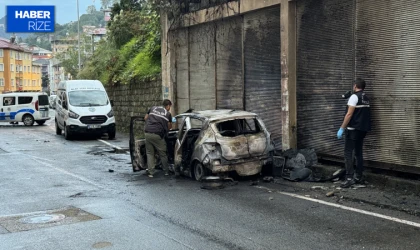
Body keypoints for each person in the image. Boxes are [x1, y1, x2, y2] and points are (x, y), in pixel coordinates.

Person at [337, 78, 371, 188]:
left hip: (352, 130)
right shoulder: (365, 97)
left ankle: (349, 178)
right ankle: (358, 177)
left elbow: (349, 114)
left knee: (348, 153)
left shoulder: (354, 97)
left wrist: (342, 128)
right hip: (362, 130)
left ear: (355, 86)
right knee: (358, 153)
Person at [144, 99, 173, 178]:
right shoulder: (168, 114)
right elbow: (169, 127)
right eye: (170, 106)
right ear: (168, 106)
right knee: (163, 153)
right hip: (157, 134)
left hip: (147, 133)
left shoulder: (153, 108)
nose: (170, 108)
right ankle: (166, 171)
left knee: (150, 153)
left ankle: (150, 173)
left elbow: (145, 118)